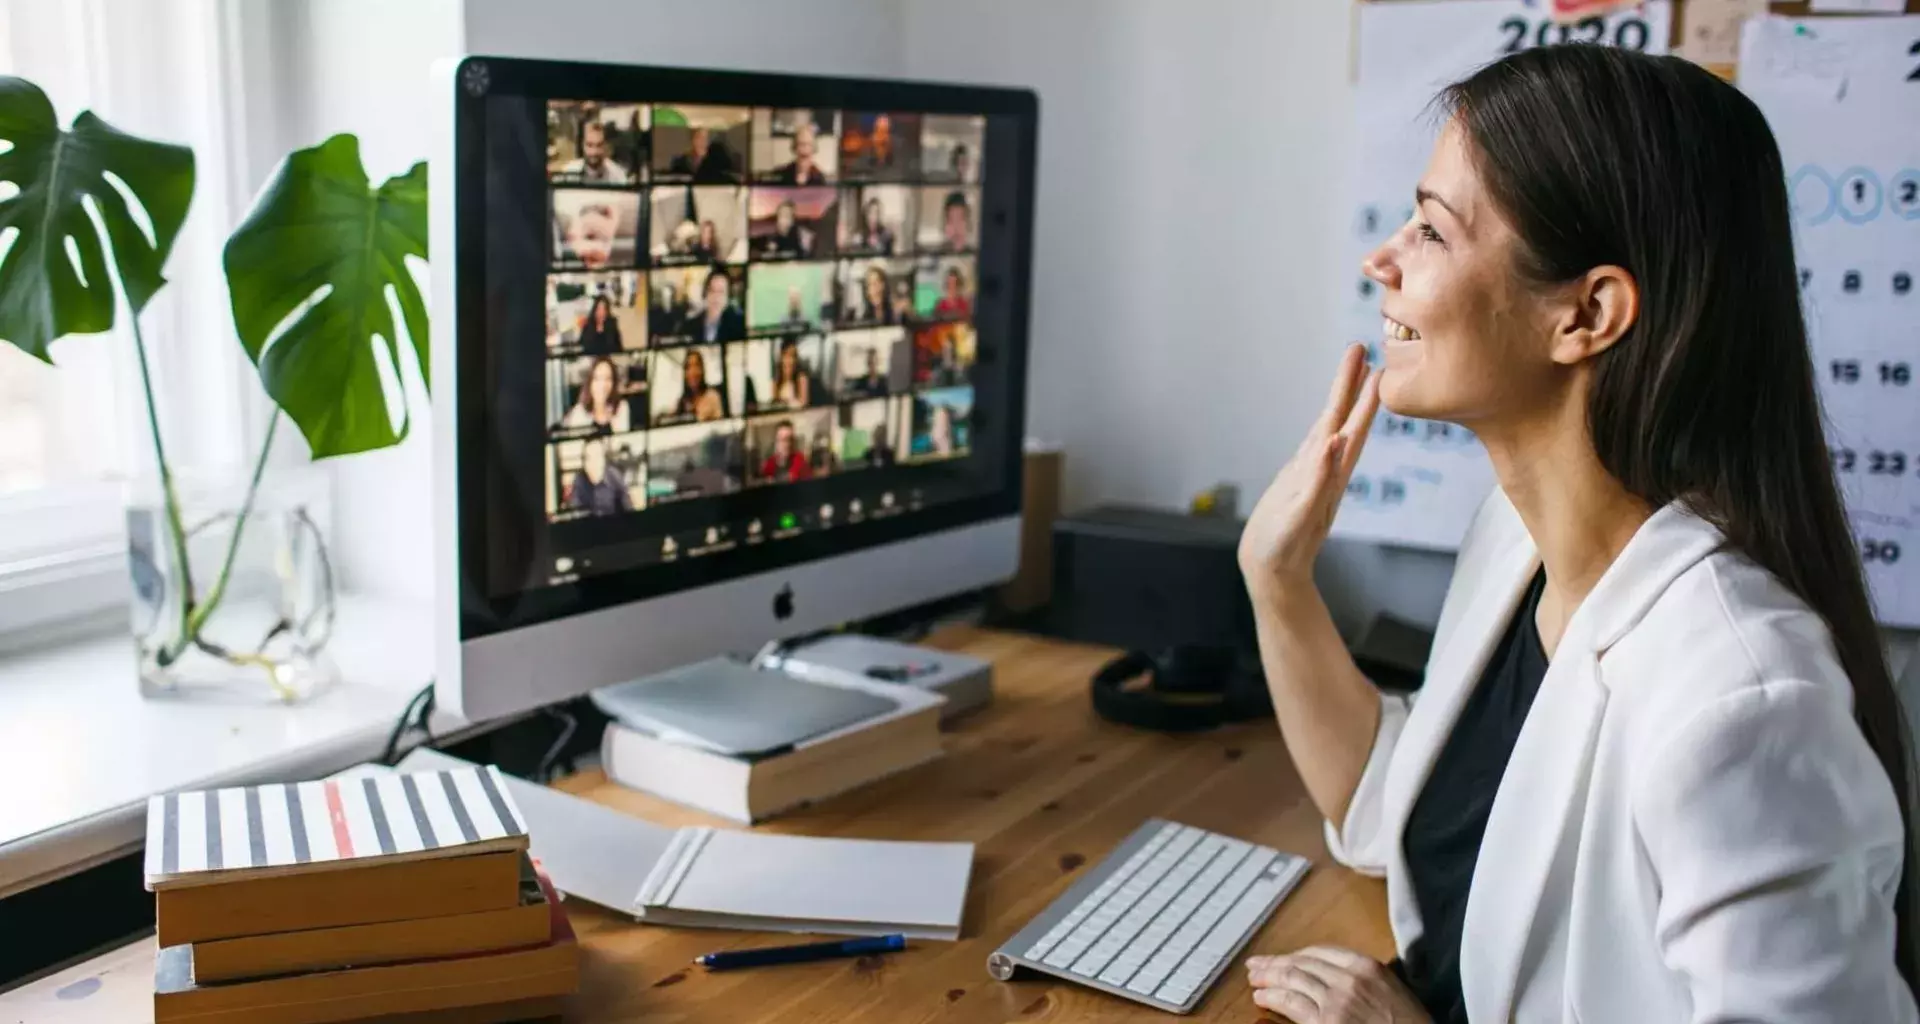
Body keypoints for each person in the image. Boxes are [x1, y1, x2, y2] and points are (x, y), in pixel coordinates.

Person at [1236, 47, 1917, 1024]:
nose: (1380, 259)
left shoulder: (1742, 701)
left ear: (1588, 313)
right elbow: (1396, 811)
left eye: (1430, 229)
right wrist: (1276, 575)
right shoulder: (1514, 544)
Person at [559, 357, 630, 433]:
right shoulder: (578, 413)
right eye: (597, 379)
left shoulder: (622, 407)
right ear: (590, 383)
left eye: (608, 378)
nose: (603, 385)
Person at [566, 437, 632, 515]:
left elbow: (629, 510)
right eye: (588, 458)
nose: (592, 464)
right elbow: (576, 512)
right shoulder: (579, 480)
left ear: (603, 460)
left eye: (597, 457)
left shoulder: (615, 476)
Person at [682, 267, 744, 342]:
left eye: (721, 291)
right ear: (705, 293)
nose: (716, 297)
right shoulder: (689, 326)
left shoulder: (738, 326)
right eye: (712, 290)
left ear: (728, 296)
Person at [559, 121, 630, 184]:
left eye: (599, 145)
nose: (594, 152)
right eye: (589, 145)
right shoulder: (568, 173)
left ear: (605, 146)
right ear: (582, 146)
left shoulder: (618, 176)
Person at [668, 124, 738, 183]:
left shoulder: (717, 161)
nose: (702, 141)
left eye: (705, 138)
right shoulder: (681, 162)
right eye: (699, 137)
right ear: (693, 139)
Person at [670, 349, 725, 422]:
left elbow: (722, 427)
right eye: (688, 367)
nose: (693, 372)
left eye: (696, 366)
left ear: (702, 370)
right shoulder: (681, 401)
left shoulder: (713, 397)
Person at [562, 201, 620, 269]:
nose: (588, 262)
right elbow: (609, 238)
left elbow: (572, 237)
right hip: (597, 218)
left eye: (588, 262)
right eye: (594, 260)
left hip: (584, 216)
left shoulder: (580, 251)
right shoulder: (605, 251)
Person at [770, 120, 826, 184]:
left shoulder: (819, 177)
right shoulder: (782, 174)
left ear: (813, 149)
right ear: (794, 148)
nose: (805, 148)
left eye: (808, 144)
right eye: (801, 144)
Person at [772, 340, 812, 409]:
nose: (790, 360)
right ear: (781, 356)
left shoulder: (801, 378)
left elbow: (804, 403)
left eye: (793, 356)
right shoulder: (776, 380)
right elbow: (774, 404)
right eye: (786, 355)